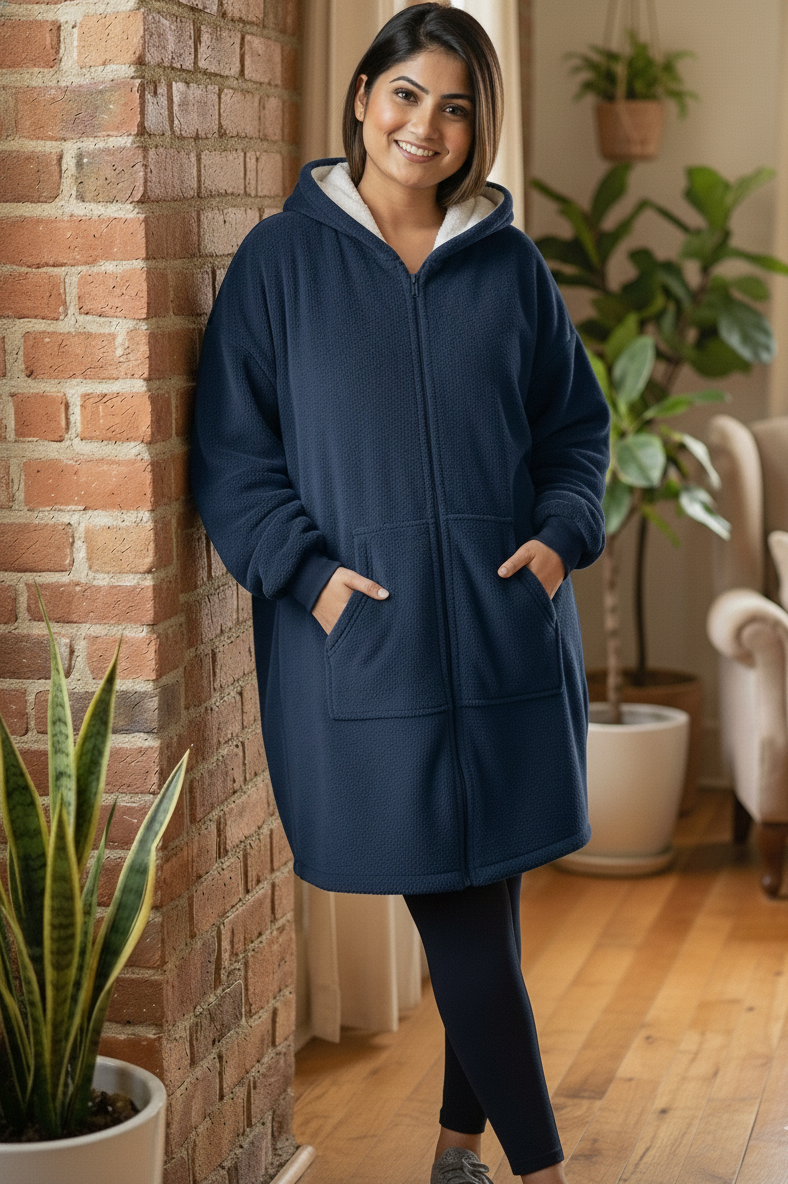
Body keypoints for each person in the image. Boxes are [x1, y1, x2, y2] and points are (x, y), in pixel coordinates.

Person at [189, 4, 610, 1181]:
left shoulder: (507, 265)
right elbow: (231, 454)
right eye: (406, 93)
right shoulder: (280, 264)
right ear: (363, 94)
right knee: (463, 919)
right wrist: (310, 578)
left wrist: (558, 538)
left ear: (478, 127)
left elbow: (575, 429)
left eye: (456, 104)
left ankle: (453, 1149)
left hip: (506, 632)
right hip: (364, 645)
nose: (426, 125)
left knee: (488, 910)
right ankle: (542, 1167)